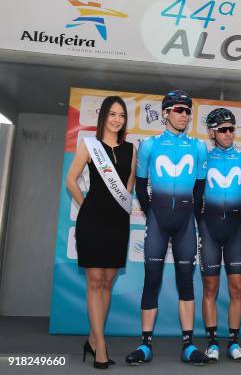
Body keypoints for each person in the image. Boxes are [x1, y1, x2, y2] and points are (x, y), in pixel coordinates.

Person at [125, 90, 209, 366]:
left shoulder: (197, 147)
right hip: (158, 220)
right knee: (152, 280)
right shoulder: (149, 146)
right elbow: (140, 184)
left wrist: (192, 217)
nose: (184, 115)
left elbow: (199, 187)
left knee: (185, 282)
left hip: (185, 221)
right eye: (178, 110)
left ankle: (188, 344)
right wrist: (152, 215)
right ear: (165, 113)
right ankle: (145, 343)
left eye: (187, 111)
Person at [67, 96, 136, 369]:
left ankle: (92, 339)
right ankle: (101, 345)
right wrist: (87, 206)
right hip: (92, 220)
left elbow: (128, 189)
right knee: (95, 280)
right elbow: (71, 180)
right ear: (103, 117)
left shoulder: (132, 149)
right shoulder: (89, 145)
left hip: (117, 222)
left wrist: (116, 211)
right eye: (112, 114)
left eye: (121, 115)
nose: (117, 119)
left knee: (108, 281)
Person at [199, 108, 241, 362]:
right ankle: (212, 342)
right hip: (208, 227)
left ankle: (233, 341)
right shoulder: (204, 158)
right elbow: (196, 194)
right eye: (223, 129)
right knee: (210, 287)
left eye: (232, 129)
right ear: (212, 132)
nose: (229, 134)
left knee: (237, 288)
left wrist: (233, 215)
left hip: (234, 228)